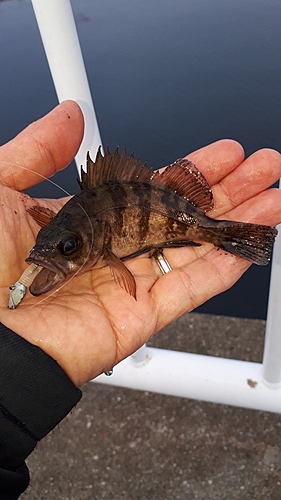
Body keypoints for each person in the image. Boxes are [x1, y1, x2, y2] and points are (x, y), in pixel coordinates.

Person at [0, 100, 280, 498]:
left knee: (212, 227)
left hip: (180, 217)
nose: (56, 255)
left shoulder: (102, 238)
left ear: (92, 242)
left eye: (67, 248)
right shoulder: (62, 231)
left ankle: (231, 236)